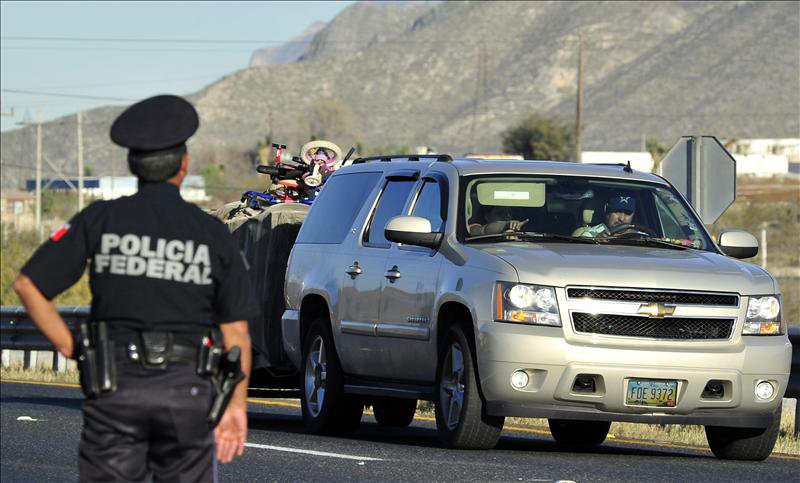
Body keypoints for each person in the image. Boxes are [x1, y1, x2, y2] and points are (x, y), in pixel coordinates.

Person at [12, 95, 259, 482]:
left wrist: (68, 345)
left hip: (115, 387)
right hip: (186, 391)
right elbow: (236, 333)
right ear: (184, 165)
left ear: (133, 166)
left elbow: (28, 284)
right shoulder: (211, 233)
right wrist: (235, 407)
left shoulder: (101, 219)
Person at [572, 194, 637, 238]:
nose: (622, 218)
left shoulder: (642, 237)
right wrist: (596, 242)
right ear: (606, 209)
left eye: (627, 213)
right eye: (617, 211)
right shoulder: (590, 235)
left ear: (633, 214)